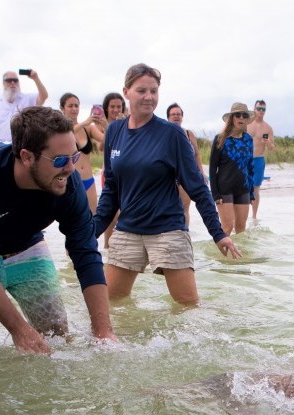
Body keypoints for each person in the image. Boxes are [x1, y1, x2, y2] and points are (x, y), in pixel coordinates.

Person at [0, 107, 117, 353]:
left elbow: (85, 252)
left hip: (26, 247)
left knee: (57, 339)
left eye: (74, 158)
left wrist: (103, 332)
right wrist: (18, 329)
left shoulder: (67, 179)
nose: (71, 169)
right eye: (61, 160)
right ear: (27, 156)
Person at [94, 63, 241, 305]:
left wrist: (218, 234)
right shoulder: (114, 132)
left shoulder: (172, 134)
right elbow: (111, 190)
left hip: (167, 231)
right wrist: (91, 232)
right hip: (128, 229)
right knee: (112, 304)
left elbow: (198, 188)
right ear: (126, 91)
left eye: (154, 91)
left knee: (188, 309)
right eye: (142, 90)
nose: (149, 97)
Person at [209, 102, 255, 235]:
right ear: (232, 118)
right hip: (225, 189)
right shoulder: (220, 139)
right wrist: (215, 194)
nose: (241, 118)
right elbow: (212, 168)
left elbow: (250, 167)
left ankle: (241, 256)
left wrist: (251, 193)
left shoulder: (248, 139)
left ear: (247, 119)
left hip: (243, 189)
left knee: (241, 230)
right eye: (237, 115)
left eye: (244, 115)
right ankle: (219, 256)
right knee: (227, 228)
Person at [60, 92, 104, 213]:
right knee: (71, 221)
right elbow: (66, 135)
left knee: (93, 217)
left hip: (88, 179)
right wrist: (85, 122)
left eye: (76, 105)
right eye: (70, 106)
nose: (74, 109)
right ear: (62, 108)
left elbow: (107, 139)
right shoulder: (59, 129)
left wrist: (105, 124)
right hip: (70, 182)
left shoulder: (88, 128)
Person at [0, 69, 48, 143]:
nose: (13, 83)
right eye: (9, 80)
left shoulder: (27, 99)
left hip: (22, 147)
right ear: (3, 83)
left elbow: (44, 96)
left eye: (15, 80)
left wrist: (36, 78)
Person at [166, 102, 204, 224]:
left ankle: (185, 234)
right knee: (168, 208)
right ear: (168, 117)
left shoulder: (189, 134)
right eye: (173, 114)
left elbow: (197, 154)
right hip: (168, 176)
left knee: (184, 208)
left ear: (182, 117)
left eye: (178, 114)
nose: (176, 116)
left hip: (185, 175)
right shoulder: (163, 134)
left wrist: (201, 172)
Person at [98, 92, 126, 247]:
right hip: (108, 173)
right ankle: (107, 247)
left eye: (119, 106)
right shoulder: (102, 126)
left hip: (125, 174)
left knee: (124, 213)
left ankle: (121, 247)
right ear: (106, 109)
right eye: (112, 107)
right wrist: (109, 128)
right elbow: (101, 147)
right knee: (111, 215)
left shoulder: (128, 123)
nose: (116, 110)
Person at [246, 99, 274, 219]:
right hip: (245, 159)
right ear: (254, 110)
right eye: (259, 109)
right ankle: (243, 215)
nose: (261, 111)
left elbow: (272, 148)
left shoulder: (267, 128)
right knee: (243, 187)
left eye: (263, 109)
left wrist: (267, 142)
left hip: (258, 159)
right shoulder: (247, 124)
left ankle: (254, 216)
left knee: (256, 188)